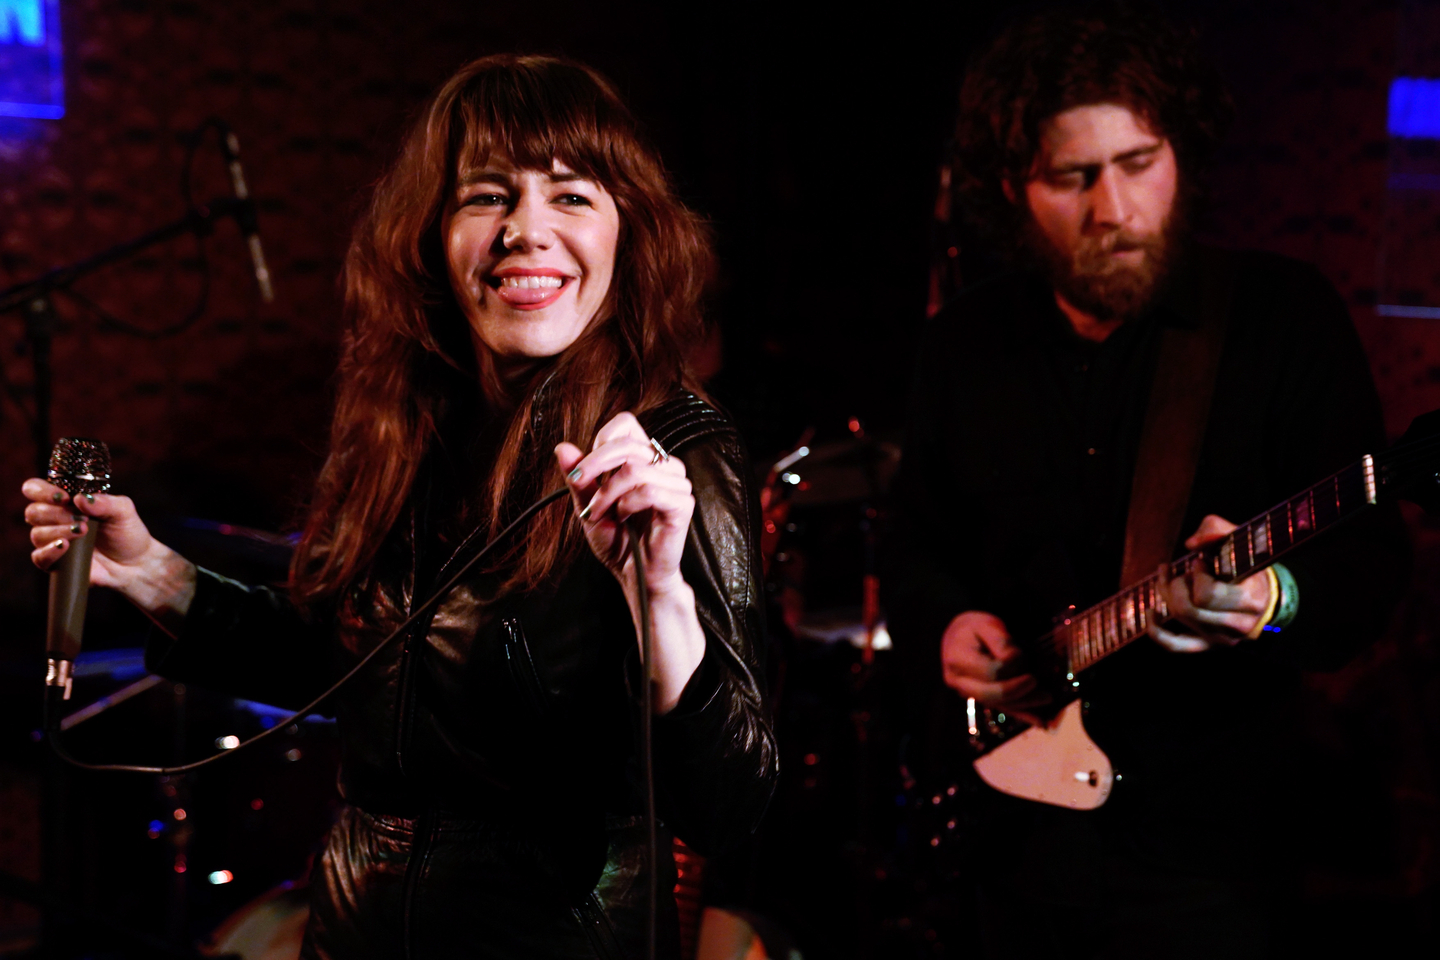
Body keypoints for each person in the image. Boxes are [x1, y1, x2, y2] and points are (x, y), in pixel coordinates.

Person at [23, 55, 777, 960]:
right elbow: (351, 670)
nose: (524, 231)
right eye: (486, 196)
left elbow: (727, 804)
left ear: (629, 233)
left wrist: (661, 600)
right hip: (356, 930)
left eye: (571, 196)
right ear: (432, 235)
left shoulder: (672, 447)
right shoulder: (407, 422)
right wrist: (155, 574)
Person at [884, 5, 1410, 958]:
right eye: (1072, 177)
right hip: (1007, 847)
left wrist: (1273, 599)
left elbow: (1371, 575)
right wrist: (947, 626)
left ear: (1179, 155)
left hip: (1206, 859)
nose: (1114, 209)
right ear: (1012, 188)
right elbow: (916, 542)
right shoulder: (963, 344)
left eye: (1138, 163)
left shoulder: (1281, 319)